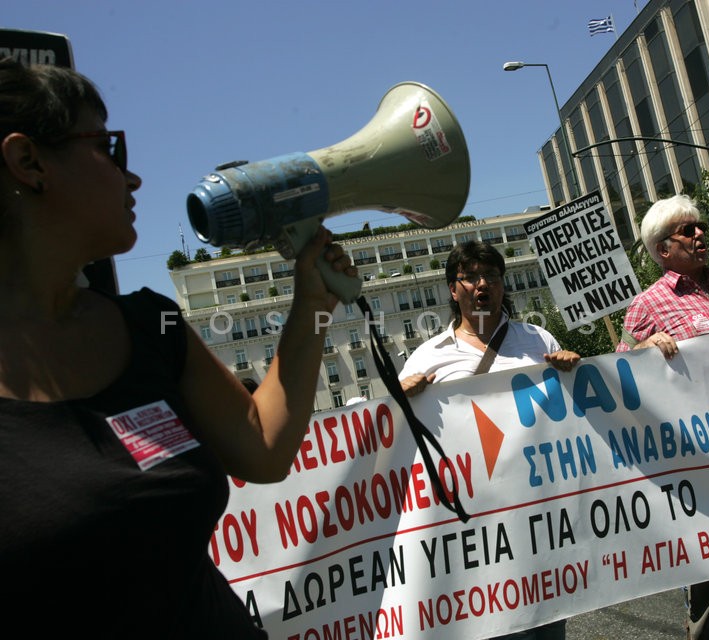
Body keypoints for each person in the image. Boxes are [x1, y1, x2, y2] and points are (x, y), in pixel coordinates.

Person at [0, 59, 356, 638]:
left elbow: (264, 445)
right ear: (29, 161)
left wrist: (313, 305)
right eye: (108, 148)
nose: (132, 178)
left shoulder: (152, 325)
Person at [399, 240, 578, 640]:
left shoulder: (539, 341)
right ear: (453, 288)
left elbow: (571, 417)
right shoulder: (426, 358)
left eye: (492, 276)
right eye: (471, 276)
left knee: (549, 629)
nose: (483, 284)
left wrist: (572, 371)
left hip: (540, 521)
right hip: (473, 530)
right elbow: (399, 444)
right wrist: (403, 399)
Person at [615, 194, 709, 640]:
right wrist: (642, 350)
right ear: (663, 249)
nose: (701, 235)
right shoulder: (647, 306)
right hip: (704, 458)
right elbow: (619, 375)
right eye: (688, 230)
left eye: (700, 227)